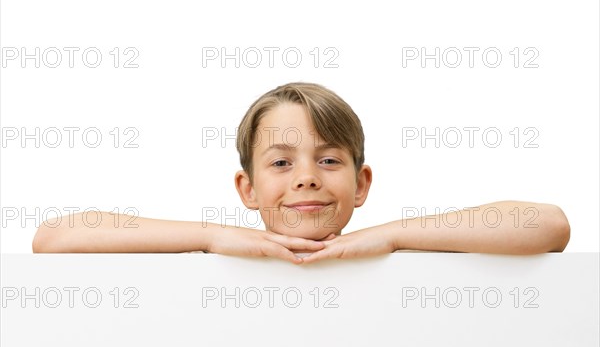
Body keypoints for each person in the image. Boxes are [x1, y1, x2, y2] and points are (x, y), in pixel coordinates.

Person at [32, 82, 571, 263]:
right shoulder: (221, 246)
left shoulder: (383, 248)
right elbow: (54, 237)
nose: (307, 177)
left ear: (362, 185)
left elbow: (549, 225)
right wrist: (214, 237)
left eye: (329, 159)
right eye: (282, 163)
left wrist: (387, 237)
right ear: (247, 188)